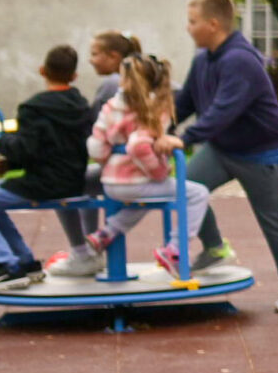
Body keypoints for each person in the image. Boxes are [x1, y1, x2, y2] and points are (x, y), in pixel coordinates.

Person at [176, 0, 278, 314]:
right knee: (185, 188)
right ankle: (215, 247)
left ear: (213, 24)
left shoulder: (239, 60)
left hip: (262, 152)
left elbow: (223, 110)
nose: (188, 28)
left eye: (193, 22)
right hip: (223, 147)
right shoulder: (204, 58)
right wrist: (161, 127)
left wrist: (184, 138)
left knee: (270, 220)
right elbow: (186, 102)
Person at [0, 44, 94, 288]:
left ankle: (7, 265)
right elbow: (51, 147)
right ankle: (24, 261)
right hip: (73, 181)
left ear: (42, 71)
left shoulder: (33, 108)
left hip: (42, 184)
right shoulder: (81, 105)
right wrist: (11, 164)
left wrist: (1, 140)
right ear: (74, 76)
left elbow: (25, 148)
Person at [79, 54, 210, 279]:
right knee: (197, 193)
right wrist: (160, 172)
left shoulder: (111, 106)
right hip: (137, 181)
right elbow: (139, 146)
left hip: (111, 182)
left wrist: (110, 160)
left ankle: (108, 232)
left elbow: (97, 148)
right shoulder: (155, 109)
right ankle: (176, 251)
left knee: (150, 196)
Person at [48, 31, 142, 276]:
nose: (90, 60)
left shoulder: (113, 83)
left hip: (124, 167)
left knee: (65, 185)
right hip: (139, 164)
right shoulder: (142, 74)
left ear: (113, 56)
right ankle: (91, 250)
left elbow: (93, 126)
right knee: (87, 183)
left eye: (95, 54)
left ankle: (83, 252)